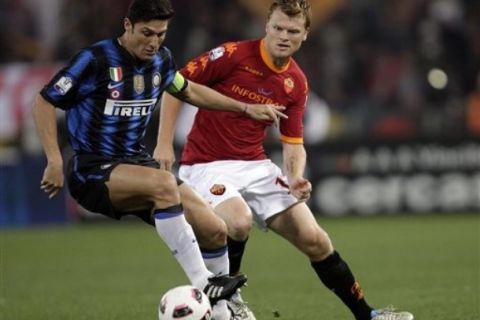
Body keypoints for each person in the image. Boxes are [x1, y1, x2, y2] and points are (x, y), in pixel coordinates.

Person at [155, 1, 415, 320]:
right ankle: (228, 302)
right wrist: (164, 144)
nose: (283, 35)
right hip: (206, 165)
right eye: (277, 28)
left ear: (305, 34)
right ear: (267, 26)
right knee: (237, 221)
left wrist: (295, 177)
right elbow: (174, 86)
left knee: (317, 240)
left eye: (292, 31)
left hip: (257, 165)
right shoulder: (232, 55)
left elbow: (293, 144)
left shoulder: (296, 82)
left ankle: (369, 315)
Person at [32, 0, 286, 319]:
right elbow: (44, 100)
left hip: (137, 164)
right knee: (165, 184)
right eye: (146, 33)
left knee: (214, 228)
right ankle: (205, 284)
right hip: (92, 170)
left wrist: (246, 108)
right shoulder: (95, 60)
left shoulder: (161, 61)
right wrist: (53, 159)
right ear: (128, 26)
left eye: (160, 34)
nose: (153, 42)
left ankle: (222, 313)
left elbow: (189, 90)